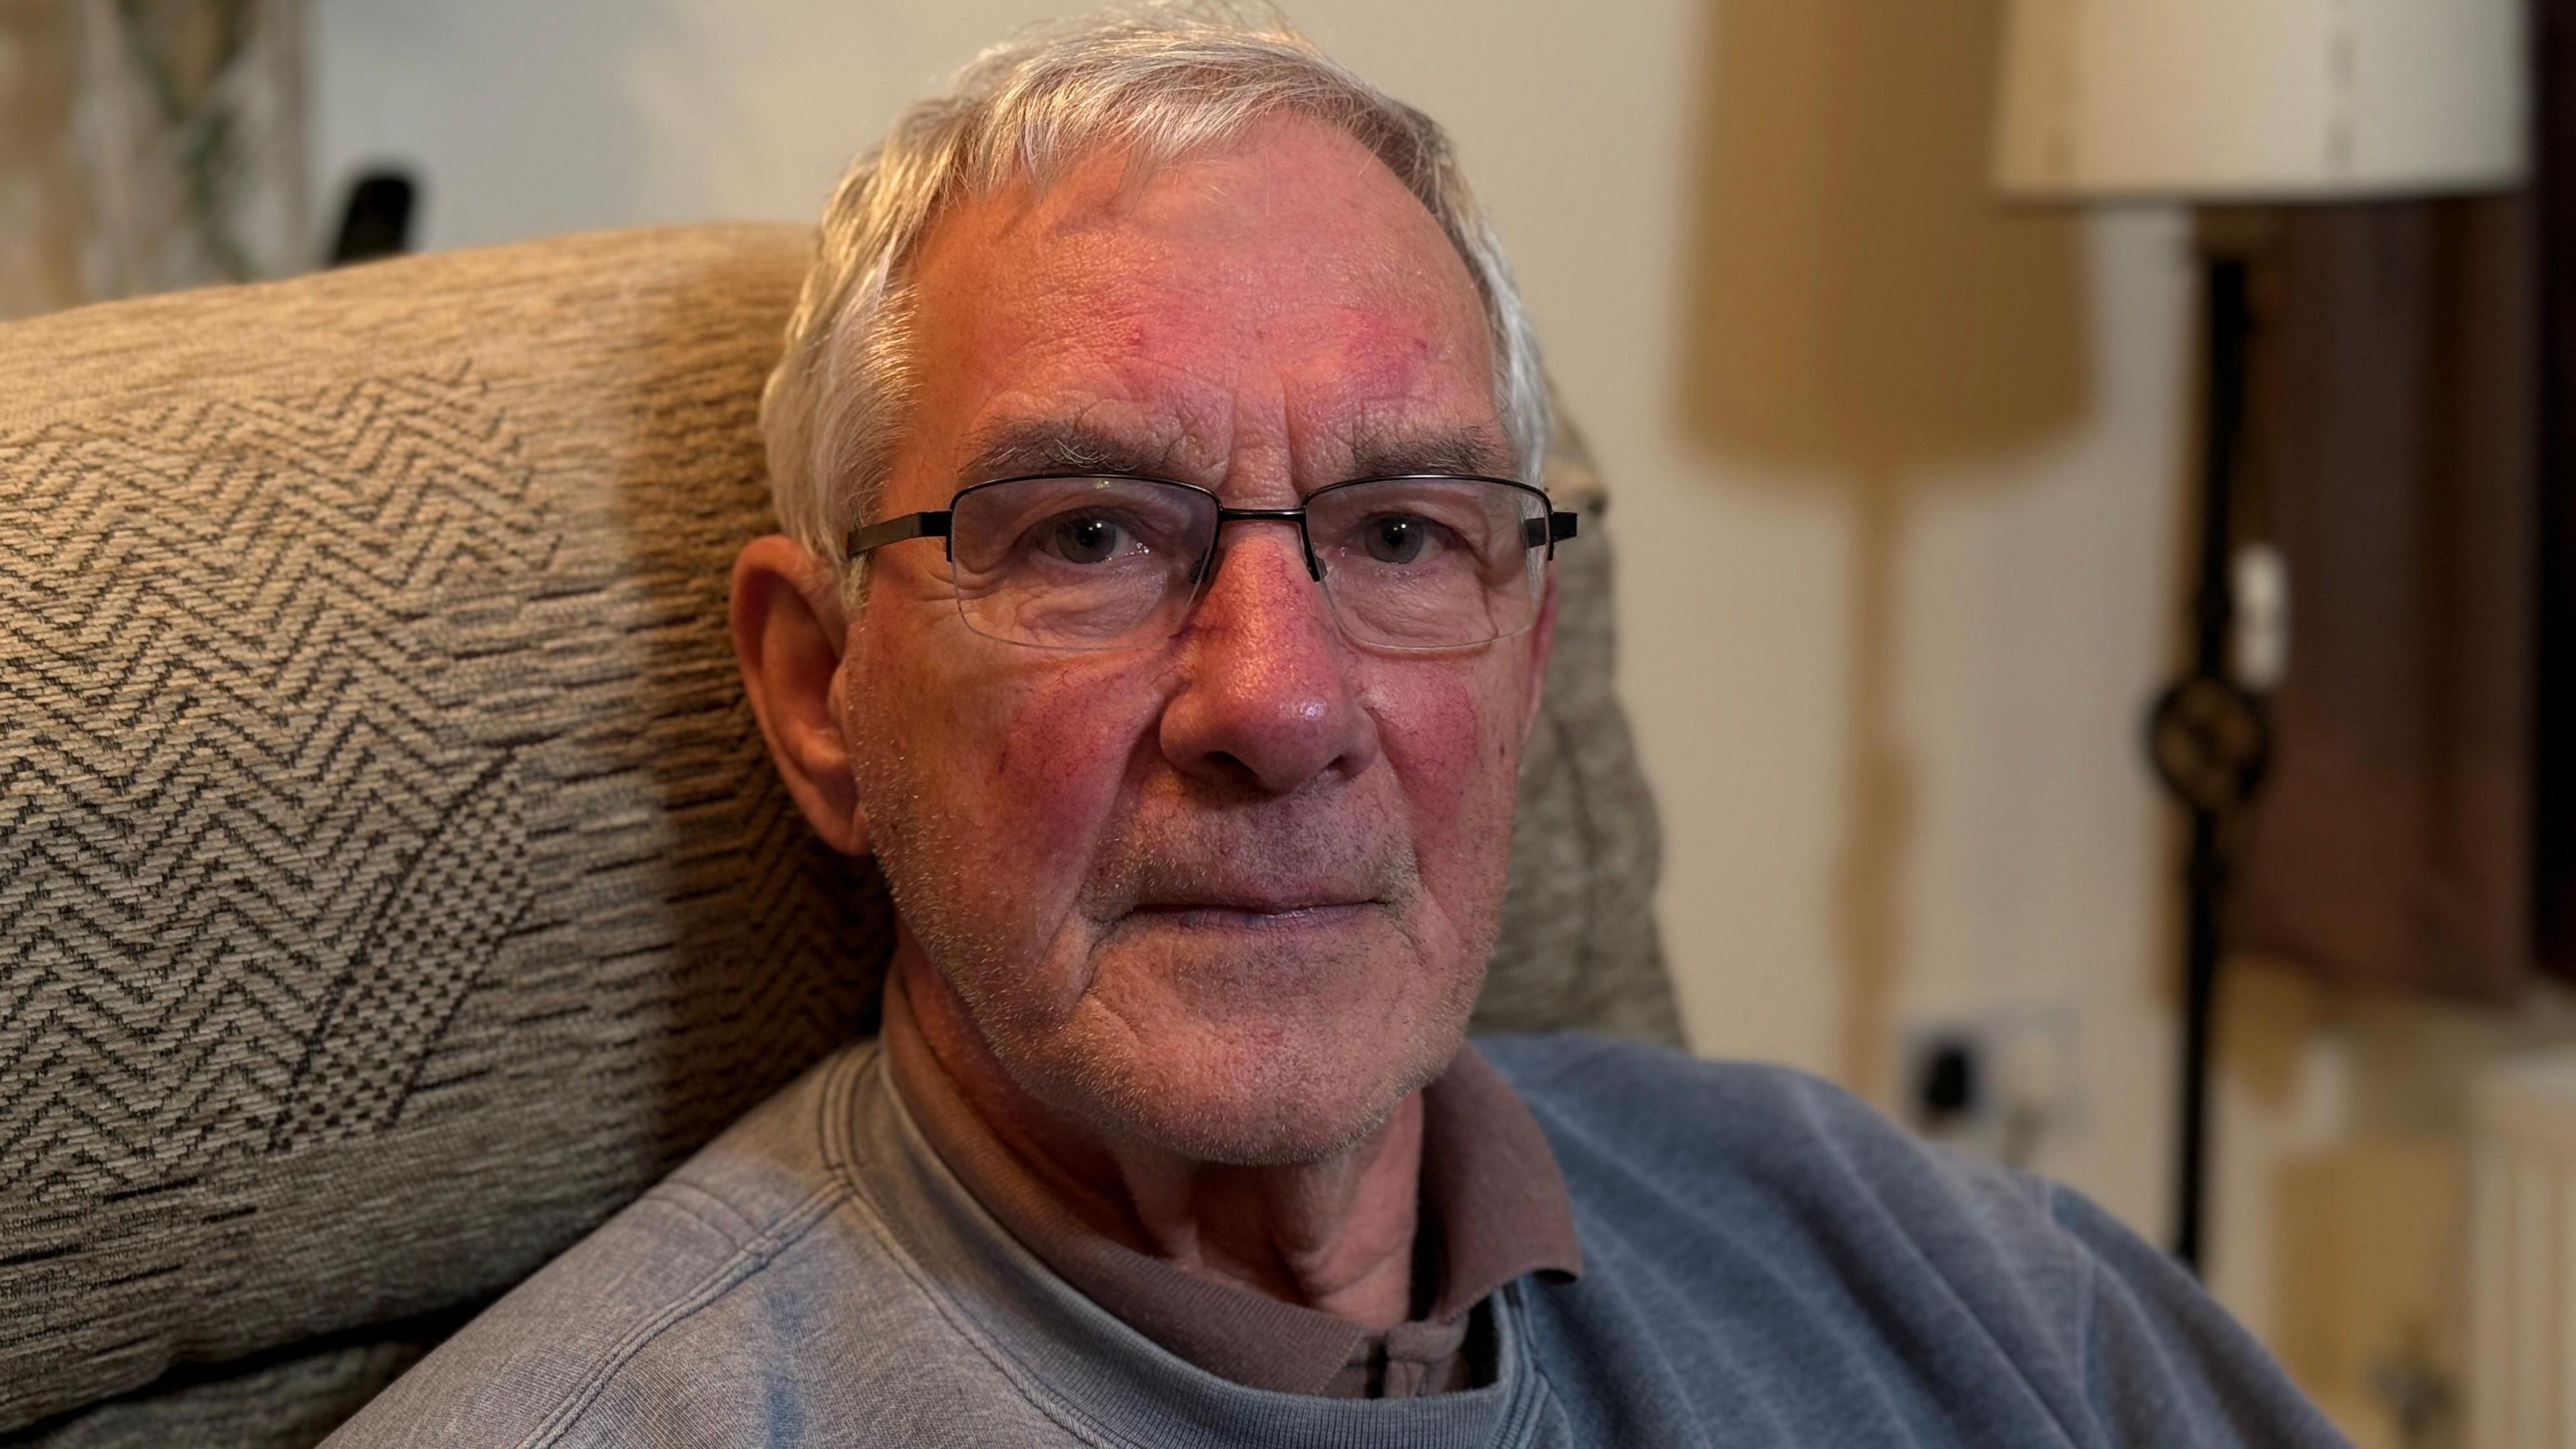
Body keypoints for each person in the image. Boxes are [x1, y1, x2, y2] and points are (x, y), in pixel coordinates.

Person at [327, 7, 2348, 1445]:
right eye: (1092, 533)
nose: (1279, 703)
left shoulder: (1938, 1276)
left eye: (1400, 530)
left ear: (1527, 647)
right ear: (820, 692)